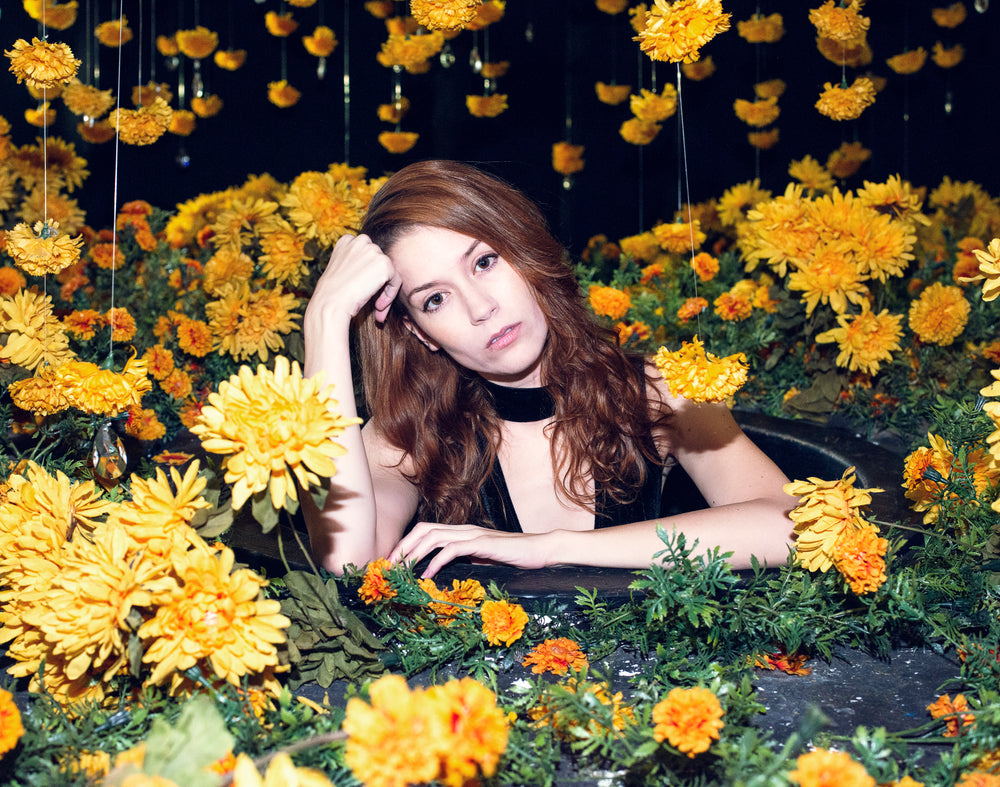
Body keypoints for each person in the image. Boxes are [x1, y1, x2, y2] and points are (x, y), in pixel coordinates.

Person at [302, 159, 793, 578]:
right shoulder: (406, 435)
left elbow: (793, 525)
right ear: (421, 333)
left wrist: (551, 547)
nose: (480, 307)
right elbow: (346, 562)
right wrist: (324, 320)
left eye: (485, 262)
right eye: (434, 299)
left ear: (525, 251)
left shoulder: (656, 391)